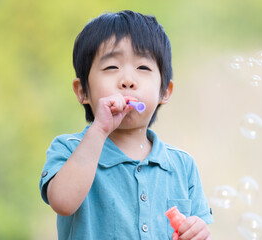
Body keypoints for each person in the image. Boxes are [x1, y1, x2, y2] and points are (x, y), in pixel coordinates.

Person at [39, 10, 213, 240]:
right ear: (82, 91)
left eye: (143, 68)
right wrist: (100, 130)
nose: (128, 80)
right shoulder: (69, 149)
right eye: (111, 67)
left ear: (165, 91)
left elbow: (197, 229)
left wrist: (198, 231)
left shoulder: (182, 165)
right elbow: (62, 202)